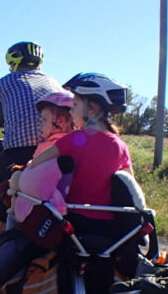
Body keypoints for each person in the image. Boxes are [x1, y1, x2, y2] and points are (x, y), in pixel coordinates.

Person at [24, 73, 133, 237]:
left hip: (73, 221)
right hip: (109, 228)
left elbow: (35, 164)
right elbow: (130, 188)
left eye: (75, 104)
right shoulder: (121, 145)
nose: (71, 110)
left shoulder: (73, 139)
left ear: (91, 108)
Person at [0, 41, 65, 173]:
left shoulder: (3, 83)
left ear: (13, 64)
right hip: (57, 151)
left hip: (19, 154)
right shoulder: (54, 83)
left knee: (7, 188)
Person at [7, 91, 77, 225]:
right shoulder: (74, 144)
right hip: (61, 204)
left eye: (44, 120)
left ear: (60, 123)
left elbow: (34, 167)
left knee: (11, 214)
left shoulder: (50, 146)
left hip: (39, 209)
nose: (40, 126)